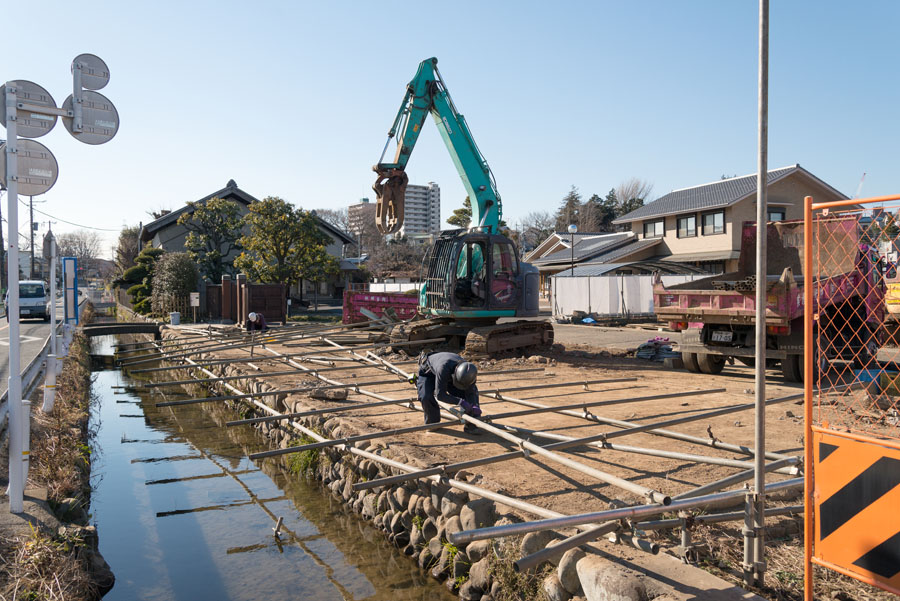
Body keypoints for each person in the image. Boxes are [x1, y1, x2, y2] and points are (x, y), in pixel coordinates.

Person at [416, 351, 481, 434]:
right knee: (426, 396)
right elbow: (441, 395)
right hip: (428, 373)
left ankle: (471, 423)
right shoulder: (443, 368)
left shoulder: (470, 372)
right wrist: (461, 402)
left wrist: (474, 405)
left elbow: (471, 391)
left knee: (469, 393)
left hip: (449, 374)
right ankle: (433, 423)